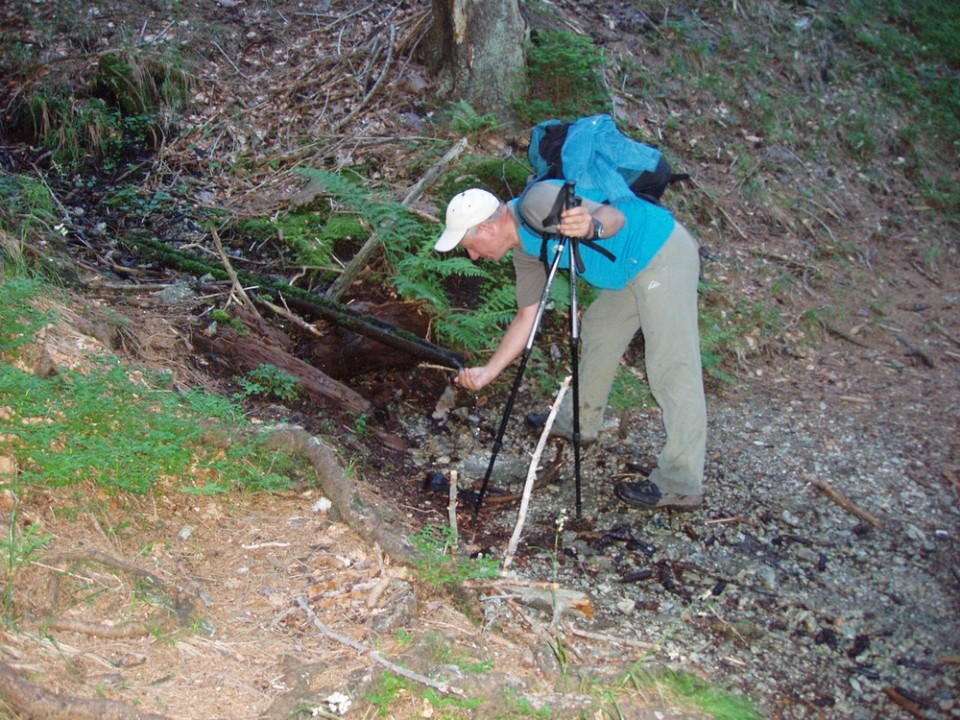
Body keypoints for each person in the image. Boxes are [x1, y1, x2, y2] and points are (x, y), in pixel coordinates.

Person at [434, 181, 706, 511]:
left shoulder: (538, 202)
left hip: (660, 252)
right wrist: (486, 374)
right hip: (626, 271)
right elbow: (526, 318)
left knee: (671, 364)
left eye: (471, 245)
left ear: (488, 227)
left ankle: (681, 481)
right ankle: (579, 422)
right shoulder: (525, 252)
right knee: (599, 330)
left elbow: (615, 217)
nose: (473, 255)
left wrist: (594, 225)